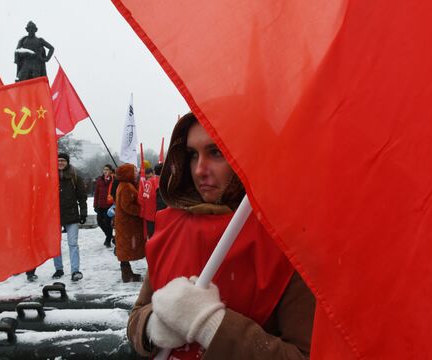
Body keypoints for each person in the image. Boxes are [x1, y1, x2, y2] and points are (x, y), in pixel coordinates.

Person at [127, 113, 315, 359]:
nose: (199, 169)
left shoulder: (286, 240)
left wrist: (212, 325)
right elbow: (137, 315)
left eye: (216, 152)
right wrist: (151, 326)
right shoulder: (170, 226)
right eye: (193, 154)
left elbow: (304, 354)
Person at [52, 153, 87, 281]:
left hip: (71, 214)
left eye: (63, 160)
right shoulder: (50, 175)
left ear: (67, 162)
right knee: (55, 244)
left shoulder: (75, 177)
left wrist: (83, 213)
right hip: (55, 216)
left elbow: (82, 197)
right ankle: (59, 268)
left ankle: (75, 270)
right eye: (58, 160)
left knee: (73, 244)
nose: (60, 162)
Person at [114, 163, 145, 282]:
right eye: (134, 171)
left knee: (124, 248)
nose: (137, 173)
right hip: (128, 224)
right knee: (126, 248)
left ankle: (127, 273)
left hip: (125, 223)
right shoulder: (126, 186)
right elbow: (127, 206)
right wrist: (141, 211)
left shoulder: (124, 185)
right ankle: (127, 274)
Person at [94, 164, 115, 247]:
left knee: (107, 222)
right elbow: (96, 193)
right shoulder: (100, 180)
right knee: (99, 222)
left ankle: (108, 240)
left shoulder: (114, 180)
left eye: (107, 169)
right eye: (104, 169)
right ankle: (109, 236)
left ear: (110, 171)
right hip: (100, 205)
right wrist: (95, 204)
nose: (105, 171)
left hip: (109, 205)